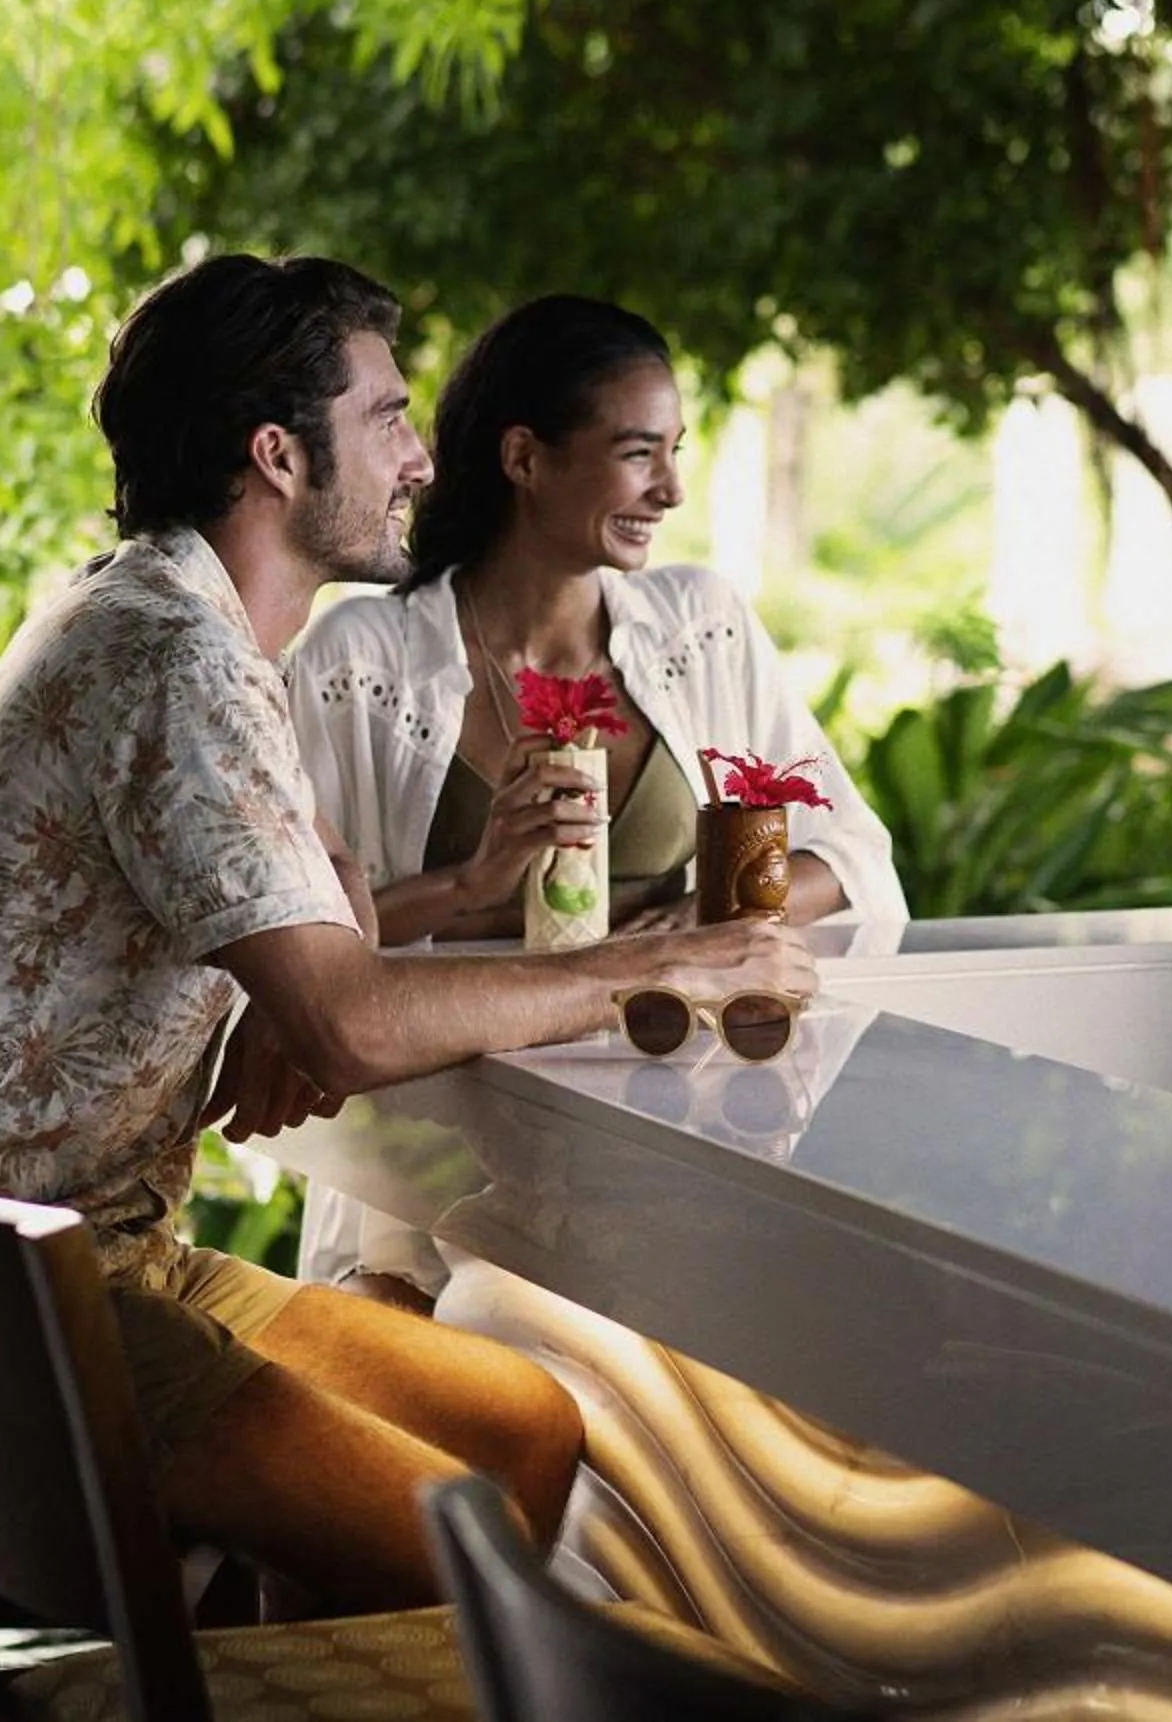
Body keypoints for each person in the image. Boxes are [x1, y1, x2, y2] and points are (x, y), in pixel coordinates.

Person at [0, 255, 815, 1613]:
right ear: (277, 456)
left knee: (521, 1429)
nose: (423, 457)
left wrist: (322, 979)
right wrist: (652, 961)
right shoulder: (171, 656)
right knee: (461, 1555)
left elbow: (309, 971)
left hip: (80, 1265)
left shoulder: (167, 618)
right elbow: (353, 1022)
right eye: (385, 417)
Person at [287, 294, 904, 1307]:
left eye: (676, 451)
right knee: (496, 1332)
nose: (669, 488)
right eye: (637, 453)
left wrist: (706, 927)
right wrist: (467, 886)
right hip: (446, 1167)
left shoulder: (700, 625)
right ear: (524, 457)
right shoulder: (362, 661)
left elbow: (847, 851)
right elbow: (310, 957)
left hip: (684, 1143)